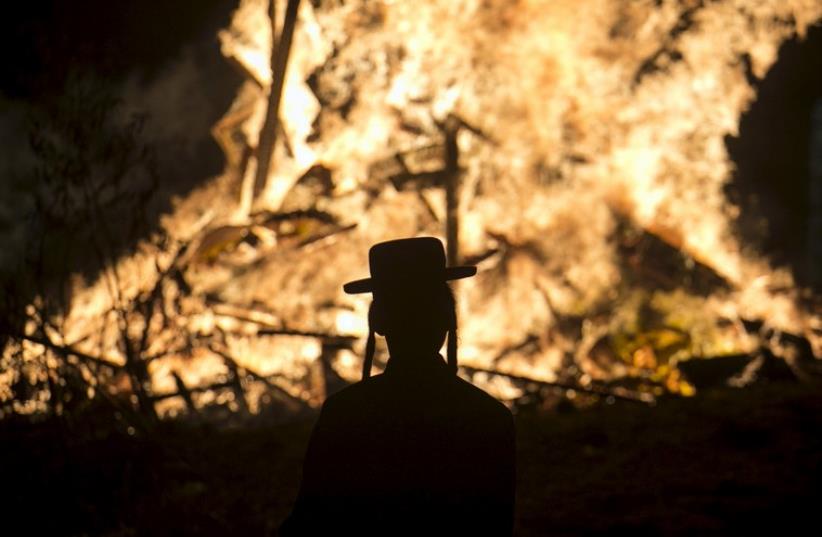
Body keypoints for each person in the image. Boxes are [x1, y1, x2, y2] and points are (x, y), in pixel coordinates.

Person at [280, 237, 515, 536]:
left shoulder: (345, 414)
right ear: (447, 318)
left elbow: (309, 523)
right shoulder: (490, 418)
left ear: (378, 321)